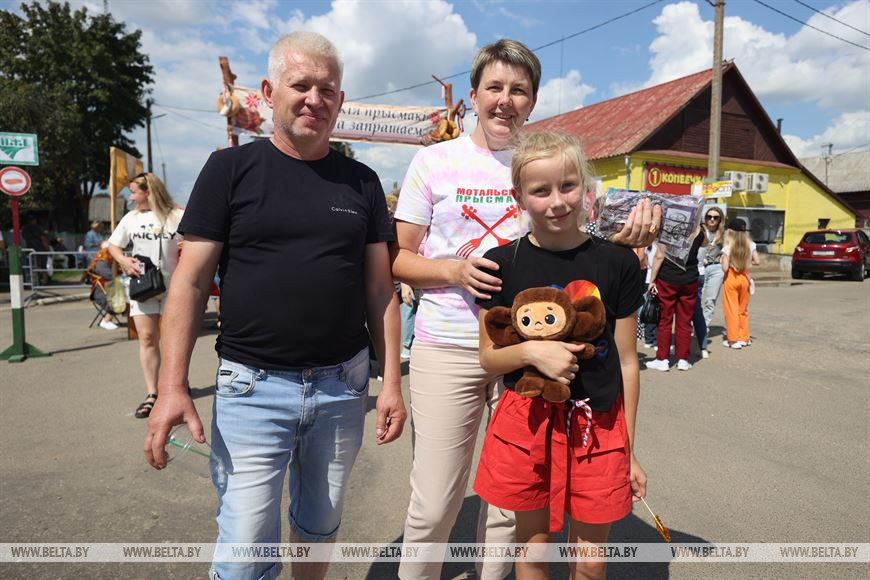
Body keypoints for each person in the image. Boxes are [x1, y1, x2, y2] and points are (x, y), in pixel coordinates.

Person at [391, 38, 660, 579]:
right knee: (437, 498)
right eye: (494, 87)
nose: (505, 100)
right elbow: (397, 257)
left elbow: (595, 237)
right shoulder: (434, 161)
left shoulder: (550, 158)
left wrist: (640, 232)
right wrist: (453, 270)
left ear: (532, 101)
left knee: (512, 504)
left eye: (519, 90)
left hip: (542, 357)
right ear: (473, 95)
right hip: (453, 342)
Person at [142, 32, 406, 580]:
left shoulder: (362, 182)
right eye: (301, 85)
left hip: (342, 387)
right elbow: (189, 284)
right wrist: (172, 387)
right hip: (251, 390)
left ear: (340, 99)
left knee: (319, 526)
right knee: (243, 553)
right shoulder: (230, 169)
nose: (315, 98)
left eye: (327, 89)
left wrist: (392, 386)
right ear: (268, 91)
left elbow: (381, 290)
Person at [475, 132, 647, 579]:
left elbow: (628, 360)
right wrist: (532, 350)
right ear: (519, 197)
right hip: (528, 417)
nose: (557, 202)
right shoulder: (499, 265)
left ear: (586, 189)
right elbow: (489, 359)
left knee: (589, 561)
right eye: (540, 190)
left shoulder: (619, 263)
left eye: (568, 186)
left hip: (599, 423)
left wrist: (628, 448)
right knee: (533, 550)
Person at [108, 172, 183, 418]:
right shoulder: (131, 218)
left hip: (173, 288)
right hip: (143, 288)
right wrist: (122, 259)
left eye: (134, 192)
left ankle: (176, 385)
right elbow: (113, 245)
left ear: (149, 192)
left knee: (172, 340)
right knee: (148, 338)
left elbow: (194, 242)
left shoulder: (177, 216)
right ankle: (152, 393)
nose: (130, 198)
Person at [646, 226, 708, 371]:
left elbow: (659, 256)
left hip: (668, 277)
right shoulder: (698, 229)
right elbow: (706, 243)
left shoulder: (669, 227)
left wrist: (652, 280)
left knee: (665, 319)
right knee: (685, 320)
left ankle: (662, 358)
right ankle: (683, 359)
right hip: (690, 277)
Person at [721, 219, 760, 349]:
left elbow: (725, 268)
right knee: (742, 310)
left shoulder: (728, 247)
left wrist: (723, 261)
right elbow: (757, 261)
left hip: (731, 277)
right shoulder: (751, 245)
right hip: (745, 277)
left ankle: (733, 339)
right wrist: (746, 263)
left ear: (730, 231)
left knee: (731, 310)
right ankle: (744, 337)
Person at [700, 206, 726, 327]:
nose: (712, 219)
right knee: (696, 299)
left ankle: (704, 327)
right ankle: (694, 324)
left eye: (715, 217)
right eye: (709, 217)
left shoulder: (724, 235)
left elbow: (731, 250)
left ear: (720, 220)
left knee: (710, 300)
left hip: (716, 268)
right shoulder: (699, 231)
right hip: (700, 268)